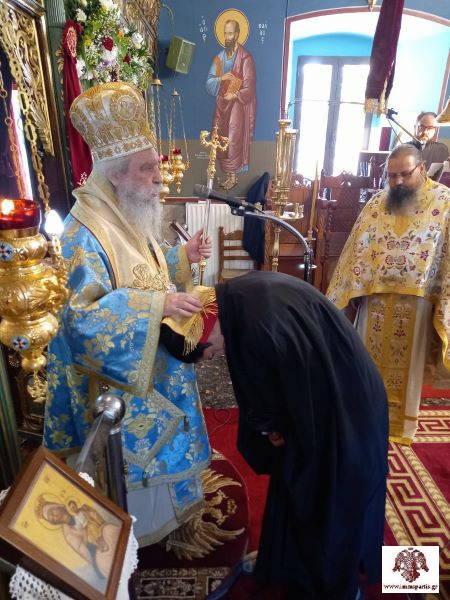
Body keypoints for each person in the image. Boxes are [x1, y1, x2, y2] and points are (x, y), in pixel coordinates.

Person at [43, 81, 213, 547]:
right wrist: (158, 305)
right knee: (134, 475)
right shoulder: (83, 233)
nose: (159, 178)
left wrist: (178, 259)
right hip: (116, 390)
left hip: (153, 367)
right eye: (147, 168)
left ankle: (170, 518)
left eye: (156, 166)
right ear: (116, 174)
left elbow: (141, 270)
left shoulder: (122, 211)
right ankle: (138, 535)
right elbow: (78, 321)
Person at [160, 271, 389, 600]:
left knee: (329, 496)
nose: (219, 356)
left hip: (345, 409)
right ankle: (285, 563)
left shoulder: (255, 327)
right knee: (294, 479)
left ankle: (339, 586)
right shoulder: (235, 297)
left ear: (205, 331)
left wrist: (271, 428)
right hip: (334, 392)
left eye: (211, 354)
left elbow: (276, 395)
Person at [327, 143, 450, 445]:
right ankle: (365, 419)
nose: (397, 182)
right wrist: (350, 292)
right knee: (366, 365)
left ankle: (401, 427)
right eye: (392, 176)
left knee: (407, 371)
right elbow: (356, 248)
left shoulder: (444, 202)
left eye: (405, 174)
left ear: (422, 169)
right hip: (375, 301)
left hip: (417, 305)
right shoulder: (377, 203)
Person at [206, 18, 256, 191]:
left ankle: (233, 176)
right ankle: (227, 174)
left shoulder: (245, 58)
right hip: (222, 103)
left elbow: (249, 86)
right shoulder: (220, 57)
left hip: (237, 105)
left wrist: (234, 94)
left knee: (233, 137)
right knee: (219, 135)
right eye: (225, 34)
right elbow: (209, 83)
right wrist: (222, 78)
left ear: (237, 34)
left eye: (230, 34)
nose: (227, 37)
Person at [414, 111, 449, 177]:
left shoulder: (442, 149)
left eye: (430, 128)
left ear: (435, 130)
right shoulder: (402, 149)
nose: (425, 132)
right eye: (422, 127)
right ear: (415, 127)